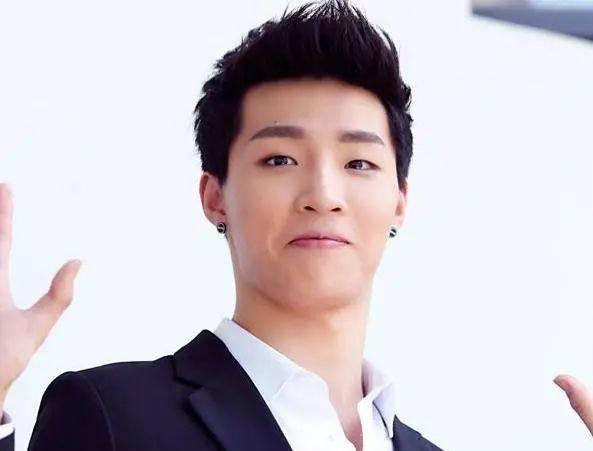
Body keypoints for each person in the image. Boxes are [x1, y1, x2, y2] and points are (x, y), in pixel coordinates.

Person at [0, 0, 591, 450]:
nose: (323, 196)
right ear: (215, 197)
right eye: (280, 159)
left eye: (358, 163)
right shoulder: (116, 418)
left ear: (399, 201)